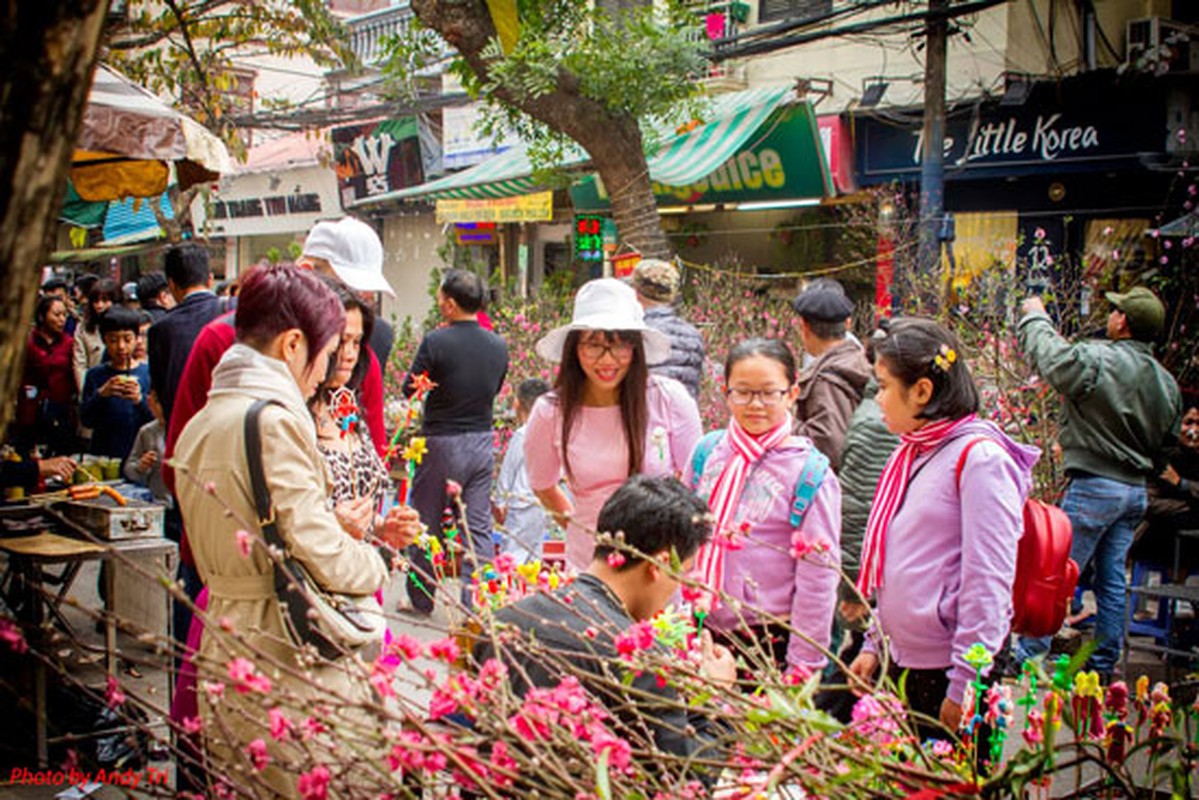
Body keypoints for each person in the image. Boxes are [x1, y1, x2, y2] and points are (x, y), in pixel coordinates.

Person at [172, 264, 419, 795]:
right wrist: (374, 559)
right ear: (292, 345)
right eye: (328, 351)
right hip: (285, 653)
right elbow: (319, 548)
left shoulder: (201, 424)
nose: (329, 366)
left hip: (225, 638)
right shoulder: (274, 421)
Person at [847, 318, 1039, 733]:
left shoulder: (980, 459)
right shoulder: (914, 452)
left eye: (882, 386)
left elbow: (988, 580)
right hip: (907, 660)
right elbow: (898, 560)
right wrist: (876, 642)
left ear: (922, 391)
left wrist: (965, 687)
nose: (877, 399)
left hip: (951, 671)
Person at [475, 475, 734, 779]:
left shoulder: (505, 620)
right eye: (682, 573)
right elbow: (685, 782)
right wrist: (714, 699)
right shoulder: (641, 660)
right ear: (660, 564)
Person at [1015, 287, 1182, 676]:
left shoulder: (1098, 359)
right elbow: (1166, 449)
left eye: (1115, 310)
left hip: (1095, 487)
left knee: (1055, 570)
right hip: (1133, 492)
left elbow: (1054, 362)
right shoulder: (1167, 384)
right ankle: (1103, 663)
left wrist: (1036, 316)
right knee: (1111, 581)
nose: (1111, 314)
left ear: (1122, 322)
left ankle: (1030, 653)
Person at [684, 338, 841, 676]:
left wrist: (803, 667)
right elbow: (679, 541)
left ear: (793, 393)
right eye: (742, 392)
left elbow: (819, 578)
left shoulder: (810, 473)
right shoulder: (707, 453)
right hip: (698, 628)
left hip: (768, 641)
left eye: (769, 393)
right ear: (725, 392)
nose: (755, 404)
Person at [525, 278, 703, 571]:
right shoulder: (551, 411)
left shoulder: (668, 399)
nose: (607, 360)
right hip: (590, 569)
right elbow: (543, 486)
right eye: (593, 345)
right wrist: (585, 529)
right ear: (575, 348)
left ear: (636, 349)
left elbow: (696, 484)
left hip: (657, 568)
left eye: (620, 344)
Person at [403, 268, 508, 613]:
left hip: (441, 442)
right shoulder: (498, 345)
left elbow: (411, 388)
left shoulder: (437, 341)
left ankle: (420, 597)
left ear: (449, 304)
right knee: (477, 527)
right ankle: (478, 603)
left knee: (426, 523)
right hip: (481, 442)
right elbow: (493, 389)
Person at [308, 278, 411, 543]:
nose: (350, 354)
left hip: (357, 572)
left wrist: (382, 527)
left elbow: (358, 507)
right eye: (342, 341)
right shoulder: (288, 416)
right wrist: (334, 525)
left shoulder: (345, 407)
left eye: (357, 342)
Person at [791, 278, 871, 473]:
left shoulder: (827, 380)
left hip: (833, 489)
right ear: (848, 323)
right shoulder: (858, 360)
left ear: (804, 327)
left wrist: (785, 423)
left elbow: (827, 445)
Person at [148, 243, 230, 423]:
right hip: (231, 429)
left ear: (171, 284)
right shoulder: (233, 312)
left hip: (185, 433)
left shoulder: (160, 330)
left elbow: (162, 393)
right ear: (210, 280)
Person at [1132, 403, 1199, 578]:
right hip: (1158, 533)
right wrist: (1189, 505)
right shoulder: (1162, 459)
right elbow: (1147, 502)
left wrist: (1181, 484)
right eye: (1189, 423)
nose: (1193, 430)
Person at [80, 307, 152, 462]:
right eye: (113, 340)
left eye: (127, 339)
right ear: (104, 340)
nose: (121, 347)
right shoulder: (95, 375)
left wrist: (139, 400)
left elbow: (156, 420)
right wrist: (101, 394)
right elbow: (86, 419)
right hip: (104, 456)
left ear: (136, 339)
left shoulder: (148, 373)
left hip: (139, 455)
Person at [494, 378, 553, 561]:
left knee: (513, 553)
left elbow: (508, 471)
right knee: (534, 552)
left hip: (520, 504)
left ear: (517, 403)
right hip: (542, 504)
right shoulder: (552, 432)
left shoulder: (522, 435)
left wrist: (500, 501)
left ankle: (511, 587)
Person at [631, 258, 705, 400]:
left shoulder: (633, 331)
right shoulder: (693, 334)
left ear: (636, 292)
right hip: (683, 416)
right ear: (671, 296)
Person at [16, 295, 77, 455]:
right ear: (42, 316)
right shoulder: (27, 343)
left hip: (61, 410)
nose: (62, 319)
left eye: (64, 315)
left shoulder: (69, 343)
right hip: (30, 410)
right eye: (56, 315)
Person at [71, 277, 120, 393]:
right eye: (96, 301)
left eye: (105, 300)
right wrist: (86, 394)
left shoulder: (127, 324)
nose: (99, 305)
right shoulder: (84, 328)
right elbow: (80, 364)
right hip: (95, 387)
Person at [123, 389, 170, 506]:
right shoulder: (147, 431)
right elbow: (129, 469)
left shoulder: (188, 428)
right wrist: (141, 466)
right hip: (160, 503)